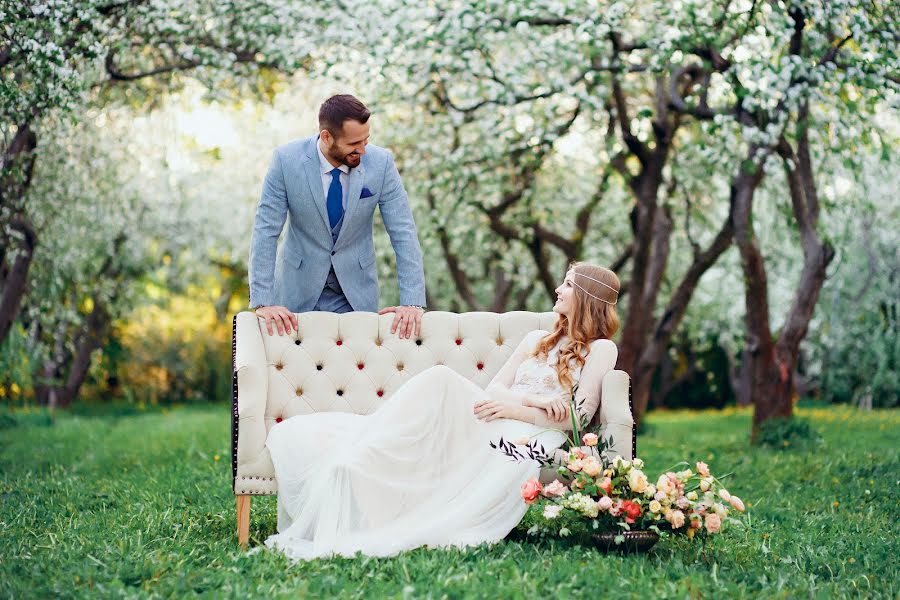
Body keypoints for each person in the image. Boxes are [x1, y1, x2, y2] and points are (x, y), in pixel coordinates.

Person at [264, 262, 620, 560]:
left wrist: (520, 410)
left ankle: (369, 457)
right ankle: (363, 457)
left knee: (441, 378)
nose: (558, 289)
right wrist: (530, 401)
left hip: (527, 438)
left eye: (568, 285)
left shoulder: (602, 348)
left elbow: (580, 417)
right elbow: (494, 389)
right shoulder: (535, 340)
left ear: (587, 298)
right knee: (439, 381)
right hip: (496, 413)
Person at [248, 94, 426, 339]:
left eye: (366, 140)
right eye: (354, 144)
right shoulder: (285, 161)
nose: (363, 150)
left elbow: (403, 232)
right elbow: (265, 231)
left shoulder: (381, 163)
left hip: (356, 295)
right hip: (295, 294)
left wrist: (412, 302)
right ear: (326, 137)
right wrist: (263, 302)